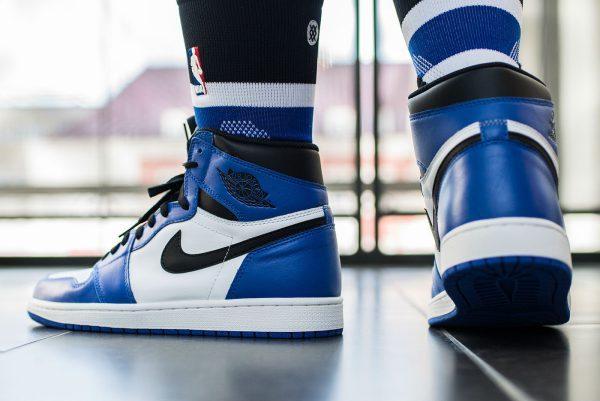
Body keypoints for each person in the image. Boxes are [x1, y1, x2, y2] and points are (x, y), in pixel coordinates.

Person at [26, 0, 571, 335]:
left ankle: (242, 211)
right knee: (469, 59)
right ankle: (488, 159)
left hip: (266, 226)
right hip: (510, 150)